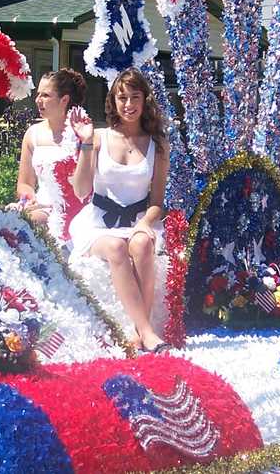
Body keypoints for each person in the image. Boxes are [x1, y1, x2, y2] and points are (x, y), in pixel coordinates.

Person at [69, 68, 171, 353]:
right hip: (98, 225)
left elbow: (157, 203)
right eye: (122, 97)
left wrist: (145, 224)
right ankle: (147, 331)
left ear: (145, 100)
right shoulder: (99, 137)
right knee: (116, 247)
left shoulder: (158, 144)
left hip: (138, 221)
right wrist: (86, 143)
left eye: (134, 97)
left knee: (141, 244)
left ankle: (141, 332)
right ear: (113, 101)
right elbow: (80, 190)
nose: (128, 104)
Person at [13, 69, 88, 230]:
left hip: (79, 212)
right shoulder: (32, 134)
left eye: (45, 95)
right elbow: (25, 183)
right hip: (41, 208)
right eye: (38, 94)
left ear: (64, 100)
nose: (38, 100)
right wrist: (28, 198)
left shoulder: (83, 135)